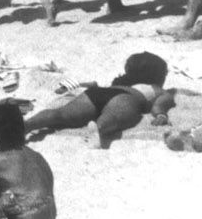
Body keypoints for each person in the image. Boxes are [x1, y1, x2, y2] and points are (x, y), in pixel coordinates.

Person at [22, 52, 169, 149]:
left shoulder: (120, 81)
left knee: (61, 114)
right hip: (125, 98)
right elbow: (159, 105)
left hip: (98, 93)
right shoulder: (156, 89)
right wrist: (161, 115)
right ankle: (99, 129)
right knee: (114, 117)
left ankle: (28, 124)